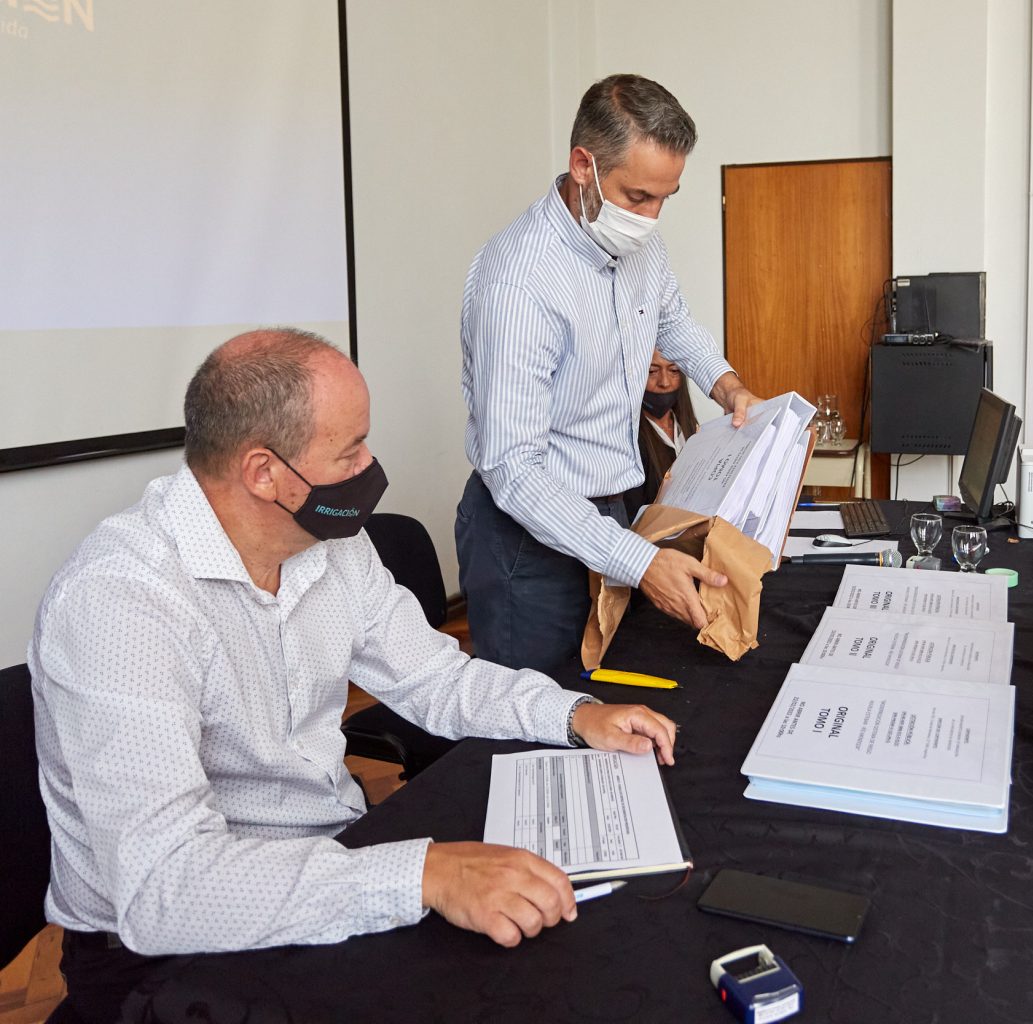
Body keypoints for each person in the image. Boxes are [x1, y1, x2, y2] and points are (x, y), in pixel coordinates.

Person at [29, 329, 678, 1021]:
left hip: (333, 859)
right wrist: (425, 874)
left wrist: (571, 714)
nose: (370, 466)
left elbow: (433, 676)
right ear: (263, 472)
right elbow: (165, 890)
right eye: (350, 451)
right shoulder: (120, 603)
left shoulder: (327, 541)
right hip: (168, 957)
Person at [457, 73, 760, 674]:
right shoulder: (519, 283)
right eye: (638, 197)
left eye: (666, 198)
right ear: (583, 166)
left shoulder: (640, 242)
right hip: (526, 539)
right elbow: (513, 469)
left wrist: (726, 385)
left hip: (611, 509)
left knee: (608, 688)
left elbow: (671, 319)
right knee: (536, 706)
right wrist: (640, 563)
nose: (651, 217)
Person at [624, 349, 700, 519]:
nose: (664, 382)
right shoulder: (628, 438)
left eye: (674, 370)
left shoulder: (692, 429)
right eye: (652, 371)